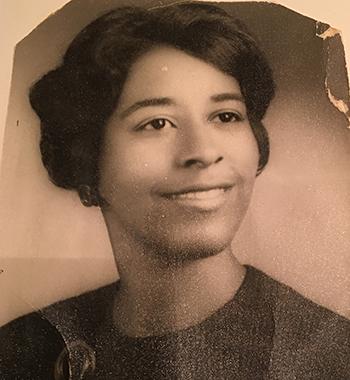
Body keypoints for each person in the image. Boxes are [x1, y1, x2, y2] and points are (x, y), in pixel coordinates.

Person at [0, 2, 349, 379]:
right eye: (157, 123)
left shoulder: (329, 357)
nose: (202, 152)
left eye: (226, 116)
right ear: (86, 160)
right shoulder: (24, 349)